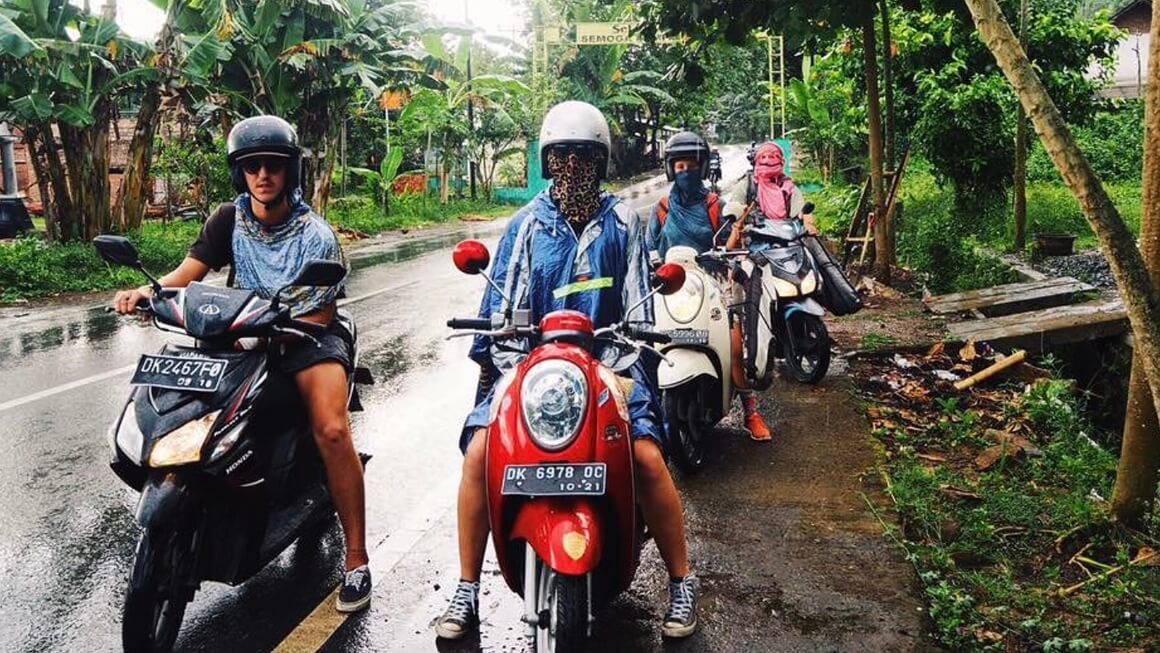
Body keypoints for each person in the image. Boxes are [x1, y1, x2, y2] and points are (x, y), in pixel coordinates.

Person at [435, 101, 699, 641]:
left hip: (608, 364)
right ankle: (466, 586)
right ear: (548, 162)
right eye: (563, 156)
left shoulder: (626, 222)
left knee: (646, 456)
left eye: (584, 156)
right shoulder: (525, 226)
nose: (573, 167)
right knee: (480, 454)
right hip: (532, 371)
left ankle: (681, 580)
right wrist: (515, 366)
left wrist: (615, 365)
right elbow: (501, 316)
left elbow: (636, 309)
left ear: (600, 163)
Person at [111, 115, 373, 613]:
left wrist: (283, 324)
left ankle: (357, 560)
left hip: (307, 336)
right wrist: (147, 293)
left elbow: (321, 309)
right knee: (192, 410)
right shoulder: (227, 219)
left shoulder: (316, 235)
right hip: (241, 331)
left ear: (289, 171)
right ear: (240, 174)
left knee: (333, 430)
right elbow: (187, 275)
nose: (263, 175)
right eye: (252, 166)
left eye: (273, 166)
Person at [647, 131, 773, 441]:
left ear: (702, 168)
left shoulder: (716, 204)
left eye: (691, 166)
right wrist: (651, 263)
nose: (685, 172)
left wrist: (736, 238)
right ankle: (647, 413)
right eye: (679, 167)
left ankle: (751, 411)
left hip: (711, 282)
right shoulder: (662, 208)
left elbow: (730, 243)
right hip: (670, 286)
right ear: (670, 168)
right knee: (647, 344)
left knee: (733, 344)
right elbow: (648, 246)